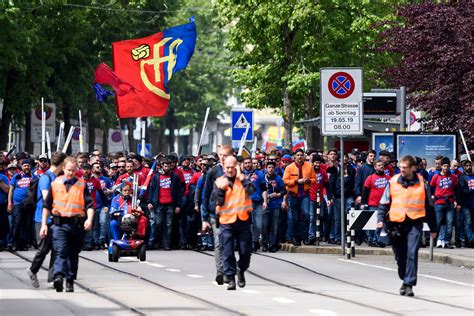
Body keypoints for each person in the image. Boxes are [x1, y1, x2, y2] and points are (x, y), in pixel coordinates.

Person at [377, 155, 436, 297]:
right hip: (396, 224)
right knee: (400, 255)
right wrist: (380, 220)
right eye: (400, 167)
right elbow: (383, 203)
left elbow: (429, 207)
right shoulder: (392, 182)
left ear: (413, 168)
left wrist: (433, 228)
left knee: (412, 252)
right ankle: (404, 278)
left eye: (404, 167)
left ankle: (409, 284)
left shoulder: (423, 184)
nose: (401, 170)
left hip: (415, 223)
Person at [40, 157, 94, 293]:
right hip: (59, 224)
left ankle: (70, 280)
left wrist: (90, 220)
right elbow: (46, 206)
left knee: (73, 254)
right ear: (63, 169)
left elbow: (90, 205)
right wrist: (44, 225)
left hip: (76, 225)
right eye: (69, 170)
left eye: (73, 170)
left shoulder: (82, 185)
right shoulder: (55, 184)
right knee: (60, 251)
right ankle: (58, 276)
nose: (70, 173)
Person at [213, 156, 255, 290]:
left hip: (243, 220)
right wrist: (221, 190)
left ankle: (241, 270)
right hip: (226, 221)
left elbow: (252, 191)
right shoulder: (220, 181)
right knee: (227, 250)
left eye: (232, 167)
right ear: (224, 167)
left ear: (237, 166)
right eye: (227, 167)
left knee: (245, 251)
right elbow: (216, 199)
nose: (230, 170)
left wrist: (243, 180)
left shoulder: (243, 180)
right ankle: (230, 278)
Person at [27, 151, 67, 288]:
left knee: (57, 249)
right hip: (42, 219)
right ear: (62, 164)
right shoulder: (45, 178)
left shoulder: (58, 178)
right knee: (43, 248)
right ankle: (32, 270)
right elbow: (46, 199)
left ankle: (53, 278)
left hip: (56, 219)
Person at [202, 144, 232, 285]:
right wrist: (204, 218)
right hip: (216, 214)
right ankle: (221, 272)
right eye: (220, 154)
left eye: (225, 155)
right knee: (219, 243)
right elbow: (206, 193)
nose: (222, 157)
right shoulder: (213, 171)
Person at [283, 148, 316, 246]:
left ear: (304, 156)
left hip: (305, 194)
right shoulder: (289, 167)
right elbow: (285, 180)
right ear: (294, 157)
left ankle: (305, 237)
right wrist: (297, 181)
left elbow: (314, 179)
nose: (299, 157)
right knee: (295, 217)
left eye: (301, 155)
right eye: (297, 155)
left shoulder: (309, 166)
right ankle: (296, 238)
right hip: (293, 195)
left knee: (306, 215)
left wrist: (308, 181)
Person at [147, 159, 181, 250]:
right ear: (162, 166)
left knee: (169, 224)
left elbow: (178, 192)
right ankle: (158, 241)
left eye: (168, 166)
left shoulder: (174, 177)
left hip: (170, 204)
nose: (167, 168)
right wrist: (149, 201)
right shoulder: (156, 176)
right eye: (165, 166)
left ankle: (167, 243)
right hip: (158, 203)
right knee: (158, 223)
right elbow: (152, 189)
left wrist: (178, 205)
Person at [430, 157, 459, 249]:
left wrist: (456, 201)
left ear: (449, 167)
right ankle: (433, 240)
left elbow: (456, 190)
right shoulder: (436, 176)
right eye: (444, 166)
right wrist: (431, 196)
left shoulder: (453, 177)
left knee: (449, 223)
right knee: (437, 223)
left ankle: (447, 241)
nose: (446, 168)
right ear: (441, 166)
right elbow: (430, 187)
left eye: (447, 166)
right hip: (439, 202)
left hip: (449, 202)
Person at [8, 159, 37, 251]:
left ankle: (23, 244)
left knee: (27, 224)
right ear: (21, 167)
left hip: (29, 204)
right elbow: (11, 190)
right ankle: (14, 243)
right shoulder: (16, 177)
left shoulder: (34, 177)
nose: (27, 167)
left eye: (28, 165)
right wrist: (9, 203)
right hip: (17, 204)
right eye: (25, 165)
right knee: (17, 223)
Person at [362, 160, 391, 247]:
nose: (381, 167)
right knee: (374, 224)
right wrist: (363, 203)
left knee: (383, 224)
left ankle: (380, 240)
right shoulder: (370, 178)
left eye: (382, 165)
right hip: (373, 204)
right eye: (379, 165)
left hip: (385, 205)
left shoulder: (388, 178)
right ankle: (373, 240)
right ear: (375, 167)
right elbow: (365, 191)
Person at [241, 157, 267, 251]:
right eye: (246, 163)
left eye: (249, 163)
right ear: (243, 164)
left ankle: (255, 240)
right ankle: (251, 243)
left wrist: (265, 201)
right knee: (249, 225)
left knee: (259, 225)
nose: (247, 164)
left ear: (252, 163)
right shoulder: (240, 175)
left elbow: (264, 189)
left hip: (258, 203)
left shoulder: (259, 174)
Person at [262, 160, 286, 252]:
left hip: (275, 205)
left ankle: (272, 244)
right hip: (265, 204)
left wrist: (278, 194)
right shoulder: (263, 177)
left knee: (274, 226)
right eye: (269, 167)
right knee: (264, 225)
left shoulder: (278, 178)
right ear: (266, 168)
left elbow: (284, 190)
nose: (271, 169)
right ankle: (264, 243)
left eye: (272, 167)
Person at [457, 160, 474, 248]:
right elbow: (462, 191)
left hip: (473, 203)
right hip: (466, 204)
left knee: (472, 223)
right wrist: (471, 190)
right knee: (468, 222)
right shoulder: (462, 177)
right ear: (464, 167)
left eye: (470, 165)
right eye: (467, 166)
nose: (469, 167)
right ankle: (471, 239)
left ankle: (469, 240)